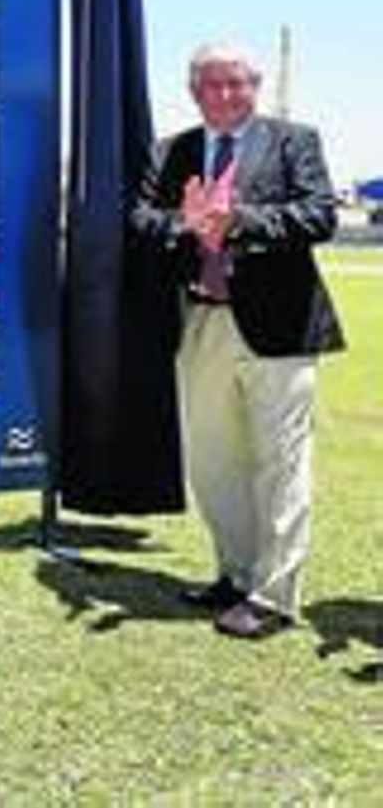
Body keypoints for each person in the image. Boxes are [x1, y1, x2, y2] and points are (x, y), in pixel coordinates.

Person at [131, 42, 345, 640]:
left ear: (255, 86)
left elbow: (319, 215)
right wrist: (186, 224)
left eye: (237, 84)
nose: (225, 94)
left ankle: (274, 595)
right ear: (193, 91)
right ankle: (235, 574)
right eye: (212, 85)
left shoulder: (293, 140)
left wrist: (240, 220)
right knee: (214, 462)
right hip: (201, 322)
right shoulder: (172, 151)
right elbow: (143, 219)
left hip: (280, 328)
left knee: (280, 461)